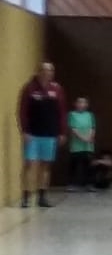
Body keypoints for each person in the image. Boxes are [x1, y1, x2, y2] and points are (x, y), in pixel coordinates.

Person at [16, 61, 66, 209]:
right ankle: (25, 197)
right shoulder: (29, 88)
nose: (47, 73)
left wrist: (62, 132)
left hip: (50, 134)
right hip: (32, 135)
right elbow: (22, 111)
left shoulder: (57, 89)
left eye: (50, 70)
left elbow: (62, 113)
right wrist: (25, 131)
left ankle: (42, 196)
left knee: (45, 166)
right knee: (29, 164)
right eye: (44, 70)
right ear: (39, 72)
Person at [67, 96, 96, 193]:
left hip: (88, 145)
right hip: (76, 145)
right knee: (74, 164)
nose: (81, 104)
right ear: (75, 104)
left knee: (88, 165)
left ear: (87, 105)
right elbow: (73, 129)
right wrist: (83, 138)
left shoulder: (90, 115)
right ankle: (72, 184)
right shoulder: (72, 114)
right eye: (79, 102)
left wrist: (91, 137)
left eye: (84, 102)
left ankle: (89, 184)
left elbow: (93, 127)